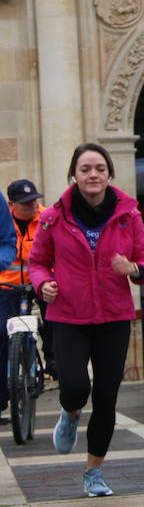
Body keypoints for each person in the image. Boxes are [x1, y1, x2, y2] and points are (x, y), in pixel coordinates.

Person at [29, 144, 144, 497]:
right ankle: (70, 413)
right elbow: (37, 262)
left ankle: (94, 471)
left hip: (114, 316)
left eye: (99, 168)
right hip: (68, 314)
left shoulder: (129, 216)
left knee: (105, 397)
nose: (93, 175)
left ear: (109, 174)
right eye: (85, 169)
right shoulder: (54, 217)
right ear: (75, 175)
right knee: (75, 387)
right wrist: (44, 284)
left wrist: (132, 269)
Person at [0, 178, 34, 422]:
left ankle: (53, 359)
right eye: (25, 203)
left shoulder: (44, 218)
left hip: (36, 282)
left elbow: (6, 242)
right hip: (8, 284)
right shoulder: (8, 213)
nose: (31, 205)